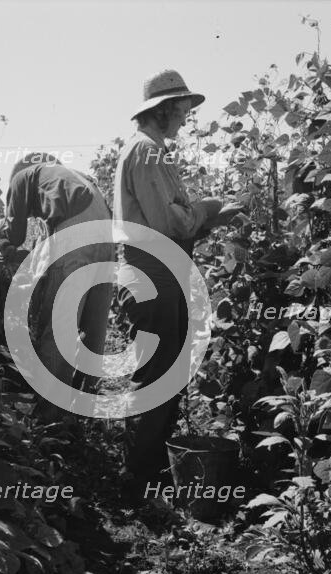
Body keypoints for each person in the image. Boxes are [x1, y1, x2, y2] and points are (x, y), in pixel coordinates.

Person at [113, 69, 241, 502]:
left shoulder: (148, 151)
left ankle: (149, 472)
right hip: (153, 272)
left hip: (158, 270)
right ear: (163, 109)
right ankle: (138, 481)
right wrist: (209, 209)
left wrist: (202, 214)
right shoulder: (147, 152)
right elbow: (171, 222)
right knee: (158, 374)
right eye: (183, 110)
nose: (187, 118)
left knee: (165, 369)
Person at [0, 153, 114, 422]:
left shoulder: (21, 178)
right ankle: (87, 407)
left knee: (59, 326)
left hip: (77, 238)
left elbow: (14, 235)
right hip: (107, 240)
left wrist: (3, 243)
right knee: (93, 327)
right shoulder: (76, 178)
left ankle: (50, 418)